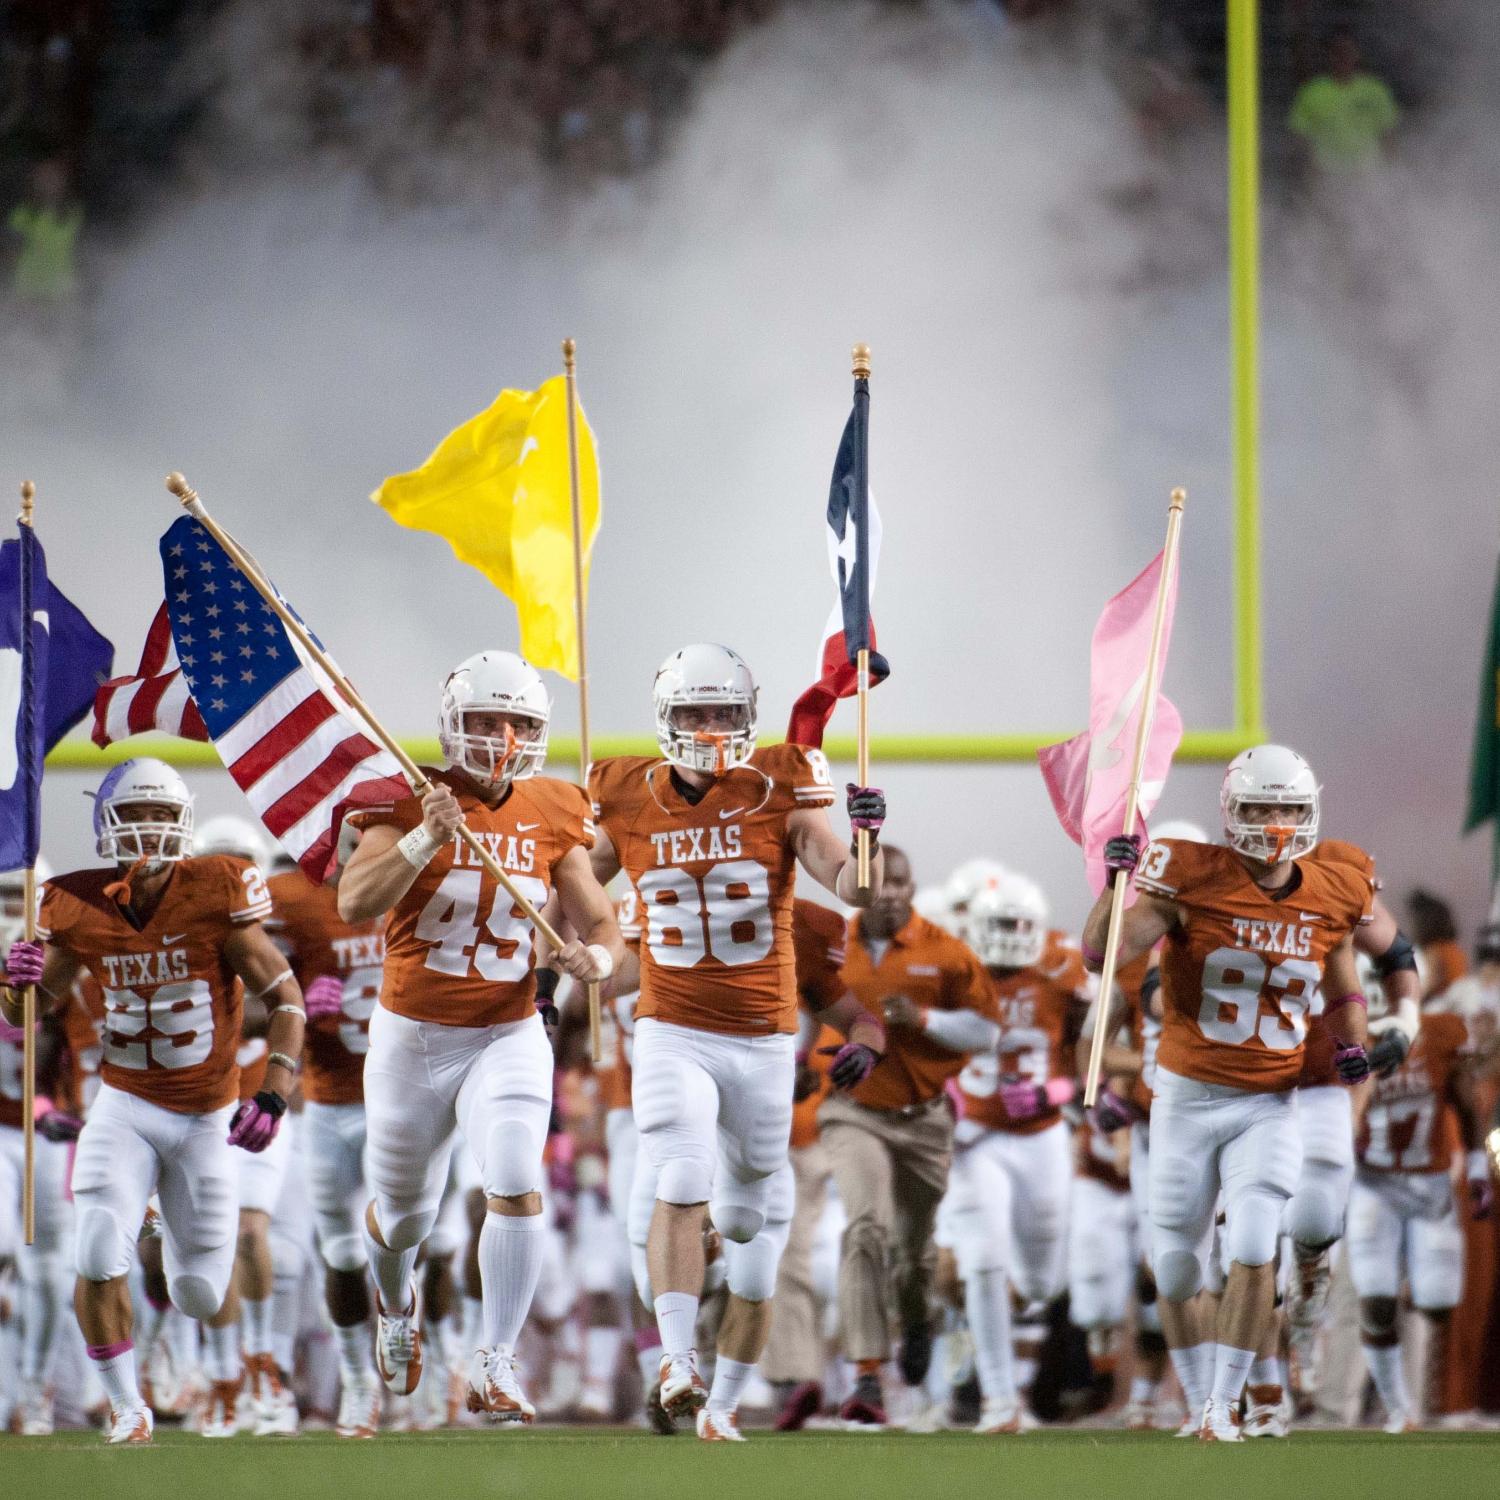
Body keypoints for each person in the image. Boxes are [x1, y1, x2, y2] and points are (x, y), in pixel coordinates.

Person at [588, 643, 886, 1442]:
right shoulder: (626, 793)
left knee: (750, 1232)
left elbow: (852, 886)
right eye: (697, 712)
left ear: (748, 716)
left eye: (725, 711)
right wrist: (560, 954)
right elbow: (578, 884)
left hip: (760, 1038)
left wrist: (864, 837)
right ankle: (678, 1362)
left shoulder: (779, 784)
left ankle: (722, 1405)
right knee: (680, 1172)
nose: (713, 726)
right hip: (672, 1026)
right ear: (667, 719)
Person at [338, 650, 621, 1424]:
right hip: (413, 1036)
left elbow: (600, 920)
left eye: (518, 723)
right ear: (452, 724)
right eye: (487, 721)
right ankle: (397, 1303)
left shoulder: (554, 806)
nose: (502, 738)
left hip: (506, 1030)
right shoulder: (405, 793)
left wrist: (596, 960)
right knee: (404, 1214)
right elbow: (355, 902)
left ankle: (496, 1361)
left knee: (516, 1178)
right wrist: (424, 838)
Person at [0, 758, 305, 1445]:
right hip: (126, 1104)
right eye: (134, 815)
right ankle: (125, 1406)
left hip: (204, 1116)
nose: (147, 829)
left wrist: (276, 1091)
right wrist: (15, 985)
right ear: (106, 824)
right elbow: (27, 1015)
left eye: (161, 815)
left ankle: (165, 1229)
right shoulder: (73, 902)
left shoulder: (217, 889)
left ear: (183, 823)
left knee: (198, 1291)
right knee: (95, 1249)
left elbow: (285, 999)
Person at [1084, 745, 1374, 1441]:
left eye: (1288, 809)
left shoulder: (1334, 888)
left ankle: (1223, 1406)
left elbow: (1345, 988)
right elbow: (1102, 954)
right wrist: (1115, 885)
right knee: (1176, 1267)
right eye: (1260, 807)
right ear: (1231, 810)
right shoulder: (1189, 873)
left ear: (1310, 812)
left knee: (1252, 1241)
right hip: (1186, 1097)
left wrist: (1355, 1043)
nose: (1275, 823)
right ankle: (1198, 1397)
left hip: (1269, 1101)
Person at [821, 845, 998, 1427]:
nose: (892, 892)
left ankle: (917, 1317)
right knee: (864, 1227)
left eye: (901, 881)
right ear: (862, 886)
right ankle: (867, 1372)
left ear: (913, 886)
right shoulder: (830, 943)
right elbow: (800, 1006)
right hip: (854, 1110)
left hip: (924, 1115)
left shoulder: (946, 950)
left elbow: (987, 1032)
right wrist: (797, 1064)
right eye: (883, 882)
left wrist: (925, 1020)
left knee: (914, 1251)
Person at [946, 872, 1090, 1432]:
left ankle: (996, 1357)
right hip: (976, 1137)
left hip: (1041, 1133)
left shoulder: (1064, 968)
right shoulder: (953, 967)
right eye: (999, 924)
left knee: (1039, 1285)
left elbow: (1090, 1062)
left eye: (1019, 925)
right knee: (983, 1260)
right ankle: (999, 1399)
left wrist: (1054, 1092)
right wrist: (948, 1096)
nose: (1009, 936)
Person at [265, 838, 387, 1437]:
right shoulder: (290, 899)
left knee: (408, 1238)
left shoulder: (415, 889)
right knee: (340, 1252)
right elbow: (244, 999)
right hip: (330, 1101)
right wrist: (292, 1002)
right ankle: (359, 1382)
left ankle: (420, 1348)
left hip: (403, 1100)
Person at [1347, 991, 1492, 1430]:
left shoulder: (1441, 1032)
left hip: (1430, 1185)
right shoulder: (1346, 1035)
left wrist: (1478, 1167)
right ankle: (1399, 1407)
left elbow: (1466, 1101)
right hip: (1373, 1184)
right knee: (1375, 1300)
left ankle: (1409, 1277)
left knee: (1439, 1304)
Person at [0, 858, 80, 1436]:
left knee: (51, 1271)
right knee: (3, 1245)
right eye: (3, 896)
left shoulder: (67, 970)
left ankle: (35, 1386)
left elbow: (87, 1053)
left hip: (47, 1134)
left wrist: (61, 1108)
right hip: (2, 1127)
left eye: (19, 896)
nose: (11, 910)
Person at [1287, 28, 1399, 174]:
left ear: (1357, 54)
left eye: (1348, 51)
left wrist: (1393, 171)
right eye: (1337, 52)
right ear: (1328, 55)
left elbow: (1388, 134)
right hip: (1327, 175)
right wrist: (1309, 173)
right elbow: (1300, 138)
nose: (1343, 57)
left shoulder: (1376, 90)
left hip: (1370, 175)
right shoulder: (1311, 92)